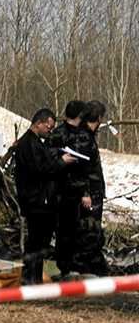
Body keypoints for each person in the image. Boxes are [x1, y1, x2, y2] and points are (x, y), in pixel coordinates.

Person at [14, 108, 77, 285]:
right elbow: (41, 169)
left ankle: (35, 277)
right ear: (39, 123)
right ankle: (29, 278)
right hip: (35, 200)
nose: (50, 130)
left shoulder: (35, 143)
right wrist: (61, 162)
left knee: (40, 242)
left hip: (40, 199)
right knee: (36, 241)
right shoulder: (29, 144)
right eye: (48, 127)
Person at [68, 101, 108, 276]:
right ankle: (85, 268)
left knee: (90, 230)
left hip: (92, 192)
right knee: (88, 231)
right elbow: (80, 169)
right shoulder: (83, 137)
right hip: (89, 193)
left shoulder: (85, 135)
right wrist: (85, 193)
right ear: (98, 118)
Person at [48, 100, 88, 276]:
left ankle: (76, 264)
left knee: (78, 230)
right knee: (64, 230)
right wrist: (61, 160)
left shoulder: (83, 134)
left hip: (78, 190)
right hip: (61, 190)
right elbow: (47, 160)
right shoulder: (57, 134)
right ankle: (64, 267)